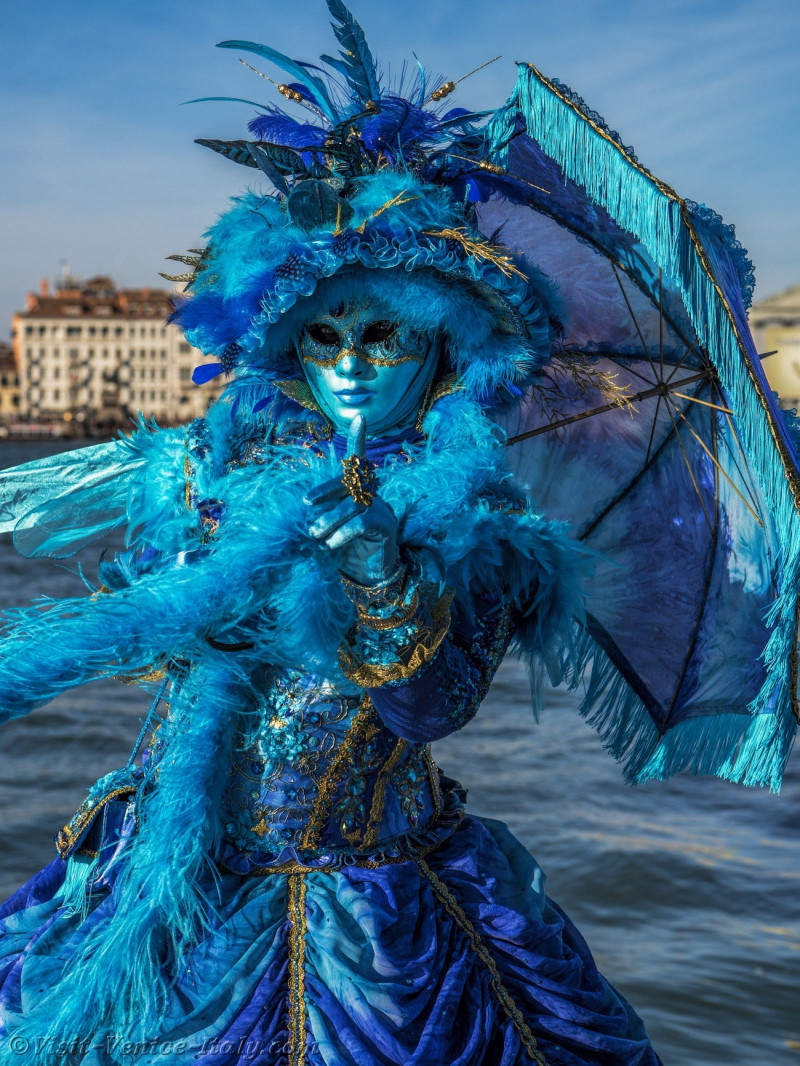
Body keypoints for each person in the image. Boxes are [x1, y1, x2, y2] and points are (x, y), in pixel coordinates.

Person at [0, 4, 795, 1064]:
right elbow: (155, 643)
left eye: (384, 335)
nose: (348, 364)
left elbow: (429, 708)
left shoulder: (488, 527)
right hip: (152, 868)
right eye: (321, 336)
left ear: (443, 348)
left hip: (351, 912)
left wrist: (382, 572)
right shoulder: (210, 475)